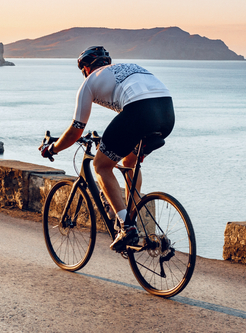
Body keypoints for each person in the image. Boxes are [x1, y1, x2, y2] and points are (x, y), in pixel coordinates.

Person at [40, 46, 175, 251]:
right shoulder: (129, 67)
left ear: (86, 68)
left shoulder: (89, 82)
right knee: (129, 162)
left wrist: (53, 149)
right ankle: (132, 216)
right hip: (166, 114)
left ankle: (125, 227)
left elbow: (76, 130)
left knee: (101, 165)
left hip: (138, 112)